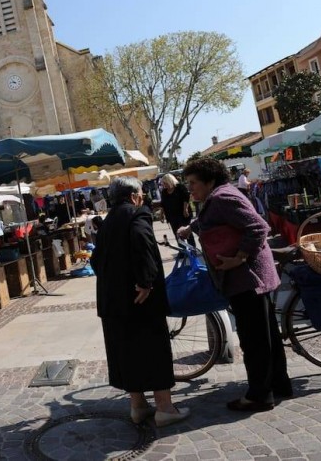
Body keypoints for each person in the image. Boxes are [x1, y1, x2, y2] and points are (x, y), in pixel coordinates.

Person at [178, 159, 291, 412]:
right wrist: (190, 228)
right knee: (267, 335)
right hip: (249, 278)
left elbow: (257, 227)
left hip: (246, 278)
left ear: (209, 181)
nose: (191, 189)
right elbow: (216, 220)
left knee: (254, 340)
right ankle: (279, 384)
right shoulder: (218, 197)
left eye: (194, 183)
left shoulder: (221, 198)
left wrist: (239, 257)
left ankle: (259, 396)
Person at [92, 177, 190, 427]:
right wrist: (146, 282)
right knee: (153, 350)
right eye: (142, 195)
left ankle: (138, 406)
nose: (143, 199)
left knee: (126, 353)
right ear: (134, 196)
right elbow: (143, 244)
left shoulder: (107, 222)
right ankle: (165, 408)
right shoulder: (137, 215)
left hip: (112, 301)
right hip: (139, 299)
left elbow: (95, 262)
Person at [159, 174, 196, 247]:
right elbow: (163, 203)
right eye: (163, 183)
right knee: (176, 233)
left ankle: (192, 248)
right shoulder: (164, 192)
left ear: (170, 181)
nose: (164, 185)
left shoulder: (180, 187)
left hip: (182, 214)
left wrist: (185, 209)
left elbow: (186, 198)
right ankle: (182, 250)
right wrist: (161, 214)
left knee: (186, 231)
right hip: (171, 215)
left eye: (165, 183)